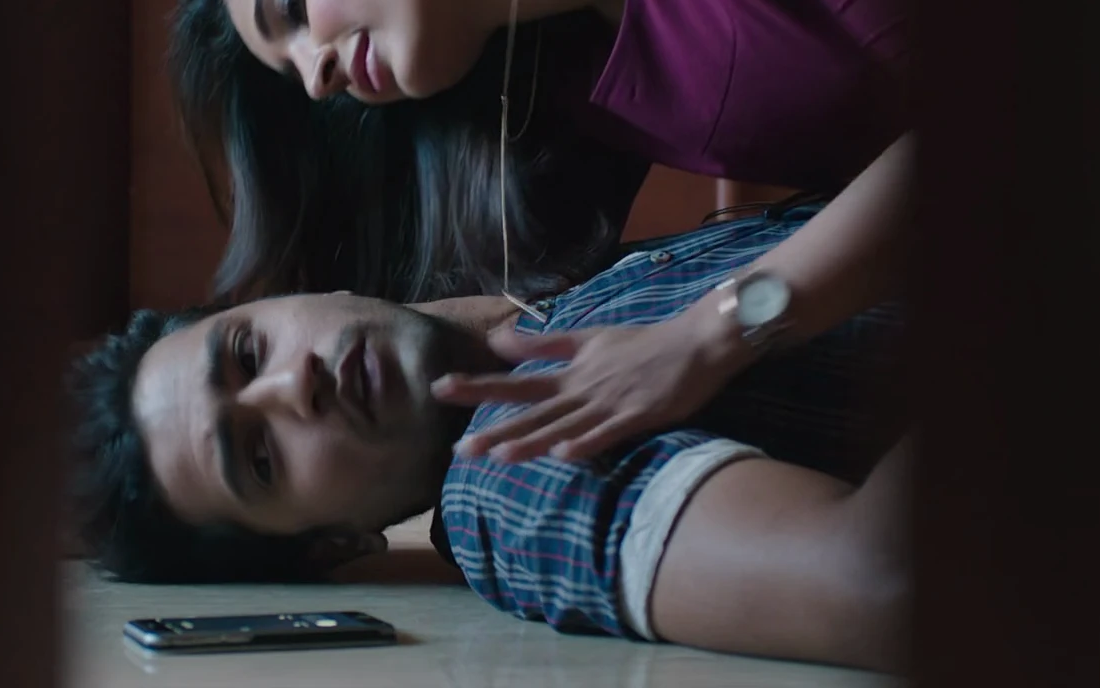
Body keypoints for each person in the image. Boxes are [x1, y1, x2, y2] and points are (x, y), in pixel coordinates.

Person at [171, 0, 912, 459]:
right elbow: (513, 320)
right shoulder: (563, 84)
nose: (316, 77)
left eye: (292, 4)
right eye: (296, 71)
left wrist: (707, 336)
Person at [70, 201, 910, 671]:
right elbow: (884, 579)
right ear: (332, 545)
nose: (295, 387)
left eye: (249, 353)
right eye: (261, 457)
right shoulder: (513, 477)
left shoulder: (559, 297)